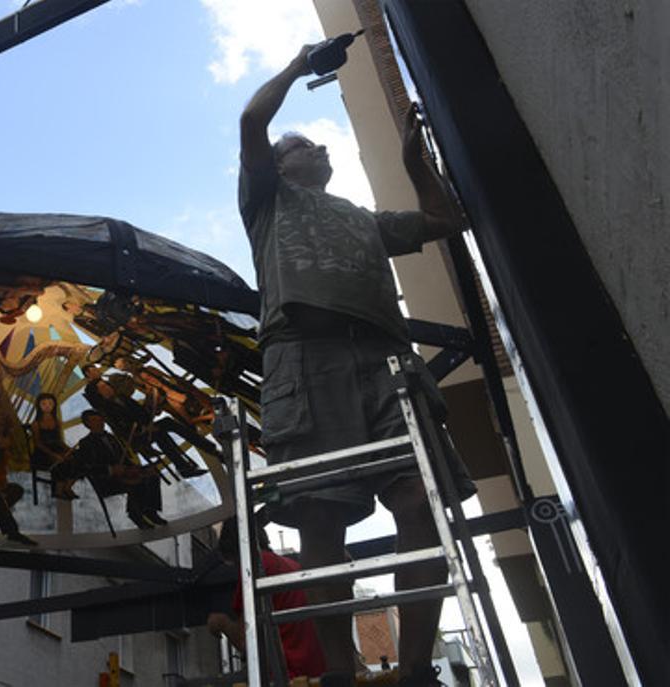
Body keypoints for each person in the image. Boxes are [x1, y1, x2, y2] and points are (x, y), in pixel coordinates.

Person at [238, 44, 476, 686]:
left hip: (382, 361)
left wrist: (413, 161)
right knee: (318, 518)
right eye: (304, 146)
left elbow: (445, 220)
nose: (318, 148)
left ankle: (417, 669)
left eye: (317, 145)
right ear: (282, 168)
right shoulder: (268, 203)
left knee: (420, 509)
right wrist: (293, 66)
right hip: (304, 360)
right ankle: (340, 672)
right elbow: (250, 123)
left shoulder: (363, 220)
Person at [207, 519, 327, 681]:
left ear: (234, 551)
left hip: (286, 676)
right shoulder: (291, 565)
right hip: (316, 675)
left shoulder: (256, 568)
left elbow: (246, 643)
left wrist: (221, 623)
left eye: (234, 562)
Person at [54, 410, 165, 528]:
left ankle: (150, 511)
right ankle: (135, 515)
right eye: (94, 420)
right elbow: (87, 467)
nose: (99, 422)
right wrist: (110, 469)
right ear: (88, 424)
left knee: (152, 475)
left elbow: (125, 458)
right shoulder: (86, 443)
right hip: (106, 480)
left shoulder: (112, 437)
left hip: (123, 473)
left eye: (100, 419)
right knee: (137, 482)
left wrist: (135, 467)